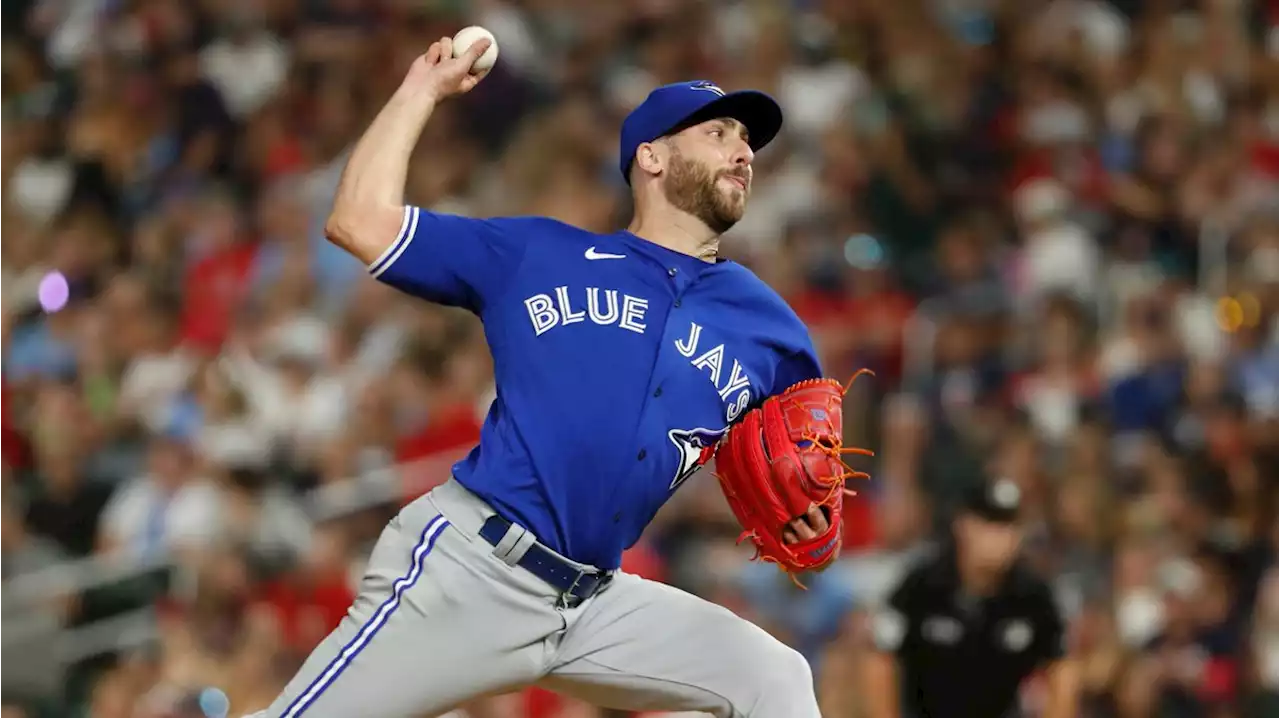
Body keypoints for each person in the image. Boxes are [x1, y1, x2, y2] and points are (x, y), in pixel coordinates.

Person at [249, 35, 830, 718]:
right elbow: (358, 221)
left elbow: (785, 451)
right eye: (718, 133)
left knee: (774, 678)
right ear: (651, 156)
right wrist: (420, 92)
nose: (743, 152)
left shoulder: (770, 326)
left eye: (748, 141)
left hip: (596, 602)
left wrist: (805, 508)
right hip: (472, 571)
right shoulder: (541, 254)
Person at [861, 478, 1081, 718]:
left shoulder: (1033, 597)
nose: (1001, 538)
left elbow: (1062, 669)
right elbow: (880, 659)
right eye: (991, 524)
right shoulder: (920, 586)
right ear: (964, 525)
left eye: (1009, 526)